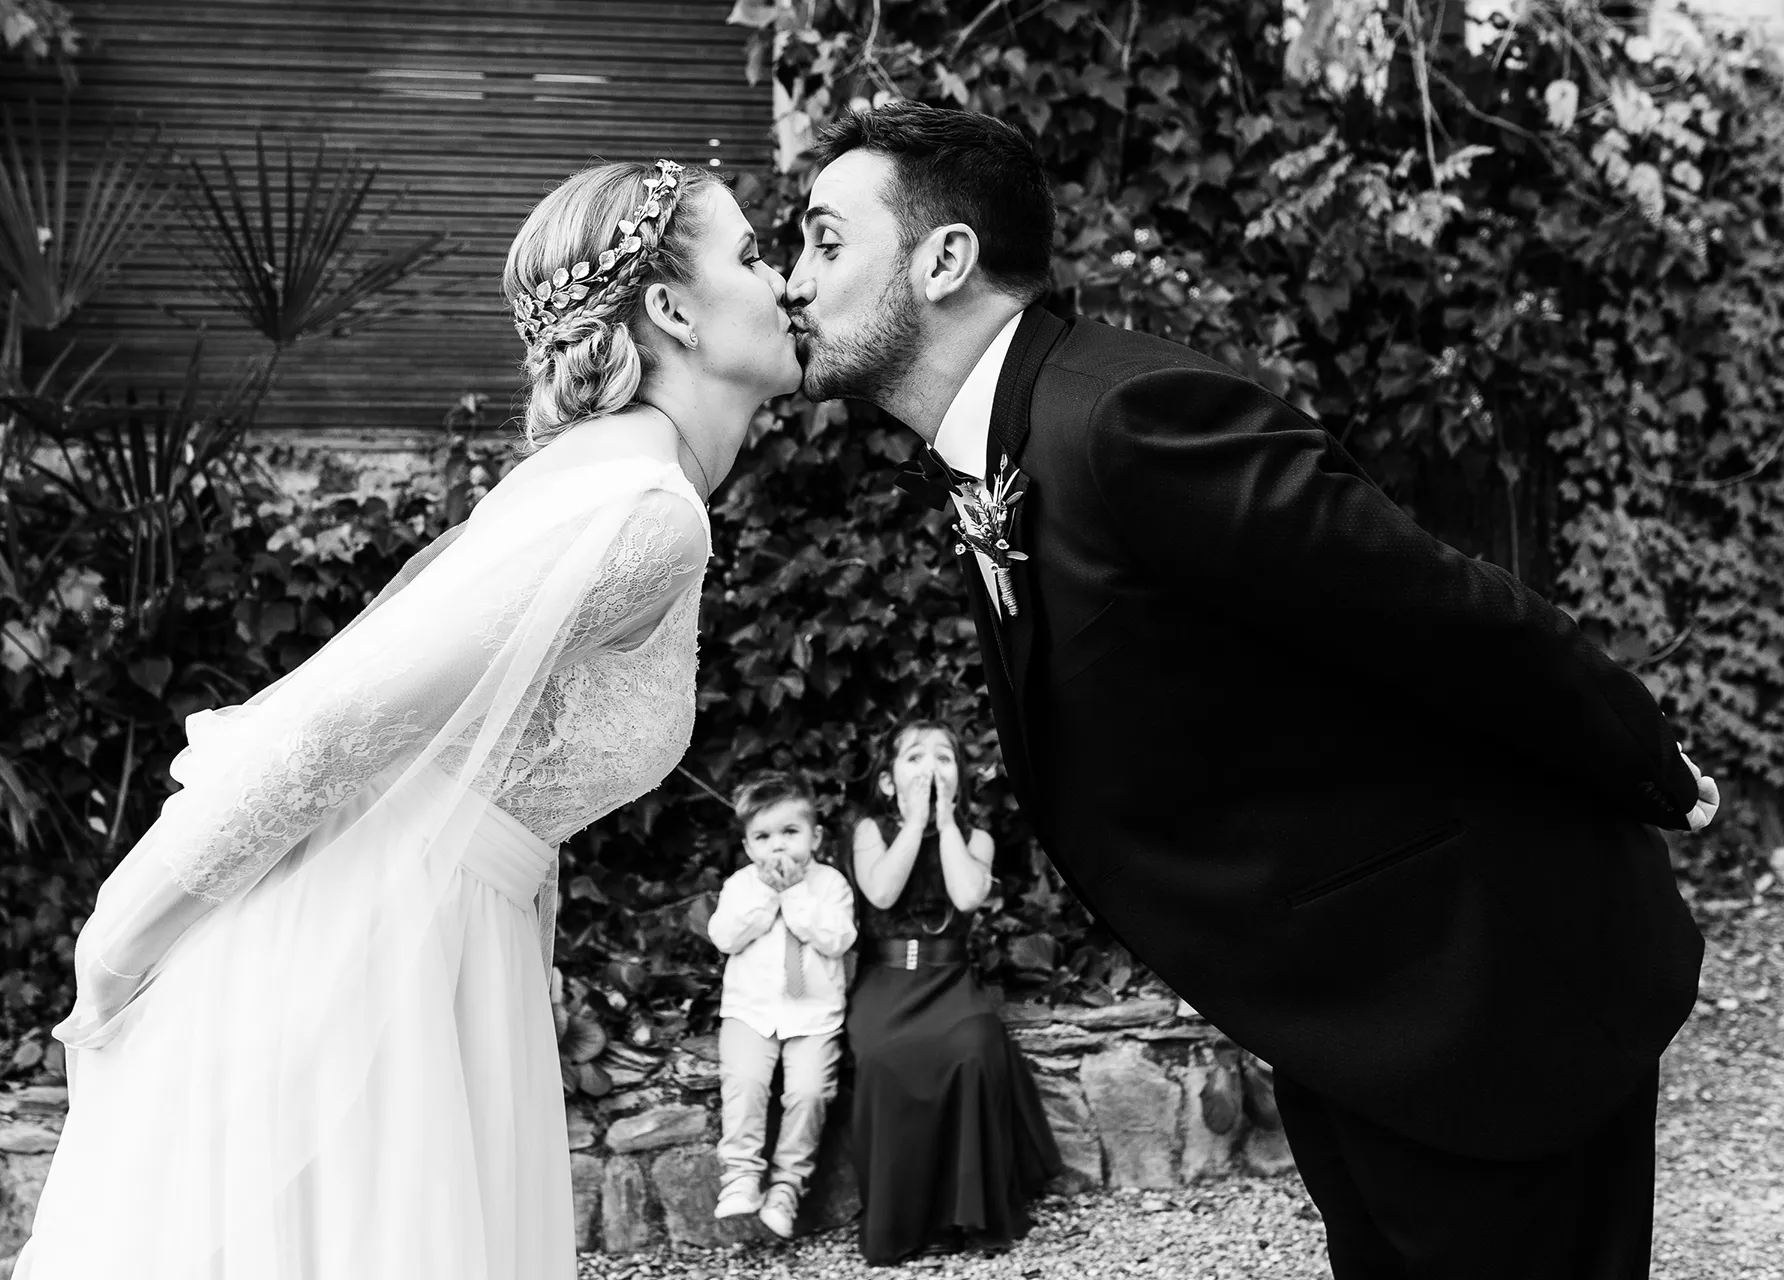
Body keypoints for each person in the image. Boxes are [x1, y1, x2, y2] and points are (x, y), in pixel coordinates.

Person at [784, 102, 1723, 1279]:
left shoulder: (1124, 416)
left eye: (825, 240)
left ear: (945, 260)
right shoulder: (1008, 449)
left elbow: (1435, 606)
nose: (793, 278)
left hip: (1495, 989)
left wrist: (1643, 759)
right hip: (1348, 1004)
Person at [12, 157, 801, 1280]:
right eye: (754, 255)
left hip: (444, 937)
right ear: (672, 310)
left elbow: (486, 751)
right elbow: (333, 725)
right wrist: (119, 936)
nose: (785, 282)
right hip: (371, 950)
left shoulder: (598, 475)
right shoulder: (642, 515)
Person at [844, 719, 1059, 1265]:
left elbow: (966, 897)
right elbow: (881, 892)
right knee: (884, 1059)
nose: (930, 768)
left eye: (944, 758)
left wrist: (943, 823)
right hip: (887, 980)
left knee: (974, 1051)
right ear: (888, 780)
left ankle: (960, 1214)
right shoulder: (871, 830)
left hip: (949, 982)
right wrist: (915, 823)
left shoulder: (976, 839)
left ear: (959, 779)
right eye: (915, 757)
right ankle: (904, 1217)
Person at [704, 772, 857, 1239]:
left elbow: (838, 939)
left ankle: (788, 1187)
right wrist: (768, 897)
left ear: (816, 837)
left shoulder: (830, 885)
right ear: (748, 846)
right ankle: (741, 1176)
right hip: (750, 1013)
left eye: (790, 832)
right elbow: (724, 936)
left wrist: (794, 895)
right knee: (745, 1082)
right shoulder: (741, 885)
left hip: (814, 1017)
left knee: (809, 1093)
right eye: (763, 837)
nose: (778, 846)